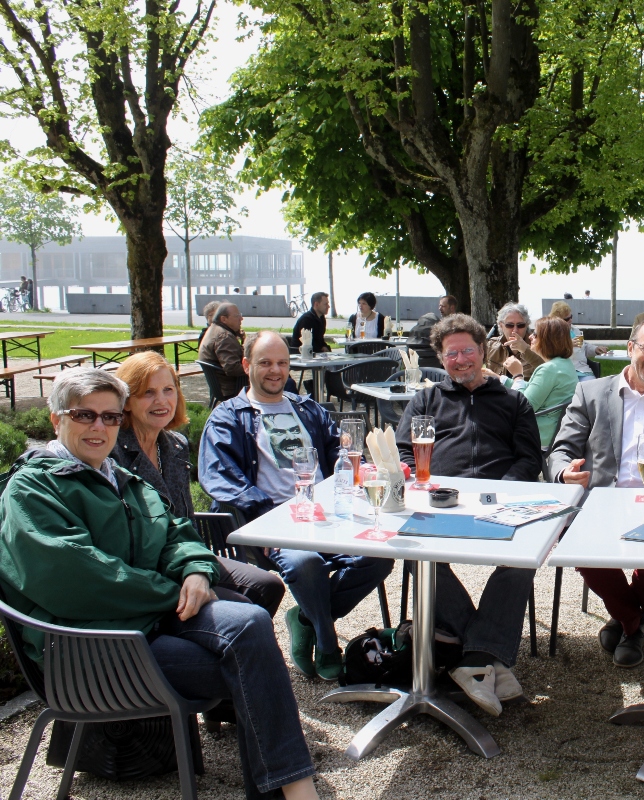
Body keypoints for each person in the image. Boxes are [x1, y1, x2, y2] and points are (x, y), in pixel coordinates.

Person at [0, 368, 320, 800]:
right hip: (88, 648)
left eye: (110, 417)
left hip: (144, 623)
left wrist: (195, 571)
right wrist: (173, 593)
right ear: (57, 419)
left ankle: (293, 788)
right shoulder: (34, 489)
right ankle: (293, 790)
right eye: (85, 415)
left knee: (250, 623)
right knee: (253, 670)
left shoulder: (118, 477)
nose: (99, 427)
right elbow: (80, 579)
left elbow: (176, 533)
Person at [199, 331, 393, 681]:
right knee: (306, 564)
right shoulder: (229, 417)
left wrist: (356, 467)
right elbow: (219, 477)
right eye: (265, 363)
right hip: (272, 524)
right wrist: (267, 516)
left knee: (380, 556)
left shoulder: (306, 408)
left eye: (282, 363)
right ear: (246, 365)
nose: (275, 371)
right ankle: (327, 643)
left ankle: (305, 618)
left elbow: (339, 451)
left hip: (328, 517)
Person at [395, 313, 543, 716]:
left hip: (499, 503)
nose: (460, 360)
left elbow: (530, 459)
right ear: (441, 358)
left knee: (523, 559)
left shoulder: (513, 401)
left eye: (467, 351)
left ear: (482, 351)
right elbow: (404, 451)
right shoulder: (426, 401)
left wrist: (501, 493)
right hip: (439, 502)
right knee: (415, 555)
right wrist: (420, 481)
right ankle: (488, 658)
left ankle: (476, 659)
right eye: (451, 354)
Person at [547, 319, 644, 668]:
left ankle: (624, 620)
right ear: (630, 348)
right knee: (578, 544)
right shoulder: (591, 393)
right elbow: (561, 450)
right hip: (602, 503)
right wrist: (563, 472)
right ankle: (634, 622)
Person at [114, 352, 285, 616]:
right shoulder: (113, 453)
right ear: (126, 401)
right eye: (148, 392)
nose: (161, 401)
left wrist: (198, 564)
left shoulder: (175, 445)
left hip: (187, 554)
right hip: (148, 567)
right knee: (246, 611)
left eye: (168, 390)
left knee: (269, 586)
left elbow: (186, 518)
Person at [485, 316, 580, 447]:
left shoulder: (549, 369)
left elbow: (523, 407)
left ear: (548, 340)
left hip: (538, 434)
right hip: (551, 430)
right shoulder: (563, 364)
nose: (530, 337)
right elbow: (533, 389)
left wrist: (517, 375)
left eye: (535, 334)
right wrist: (500, 378)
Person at [548, 300, 608, 381]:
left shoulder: (575, 330)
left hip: (582, 370)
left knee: (593, 386)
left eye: (571, 317)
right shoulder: (551, 333)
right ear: (557, 320)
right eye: (567, 319)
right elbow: (550, 352)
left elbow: (583, 347)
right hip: (563, 372)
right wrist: (568, 344)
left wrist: (595, 349)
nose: (570, 320)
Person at [485, 302, 546, 381]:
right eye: (510, 325)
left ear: (527, 325)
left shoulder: (538, 346)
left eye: (520, 325)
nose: (515, 330)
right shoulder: (491, 345)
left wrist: (525, 350)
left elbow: (549, 371)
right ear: (501, 325)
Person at [198, 302, 247, 398]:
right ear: (224, 319)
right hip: (232, 388)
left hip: (220, 387)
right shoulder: (224, 336)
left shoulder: (213, 329)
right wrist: (255, 367)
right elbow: (232, 368)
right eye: (237, 316)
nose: (241, 319)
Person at [407, 294, 457, 368]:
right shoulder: (437, 323)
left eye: (443, 306)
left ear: (452, 308)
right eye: (439, 306)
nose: (439, 308)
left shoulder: (457, 324)